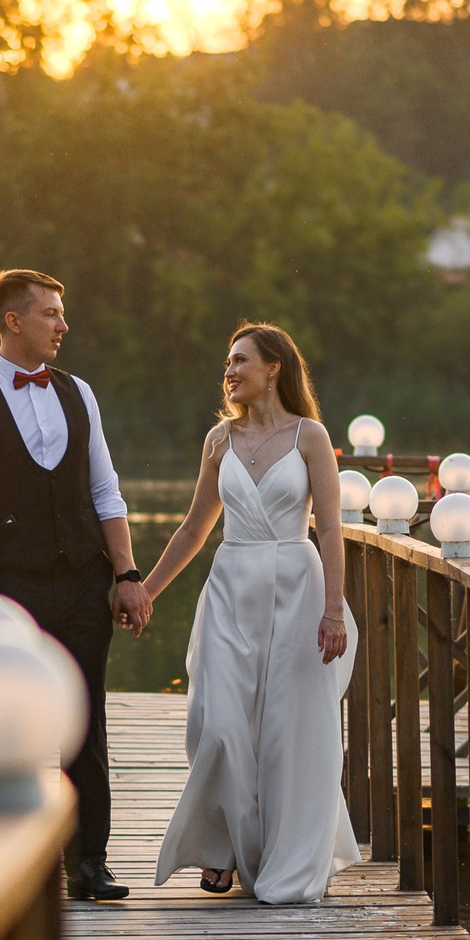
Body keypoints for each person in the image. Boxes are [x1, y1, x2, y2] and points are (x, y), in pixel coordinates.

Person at [0, 269, 152, 903]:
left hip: (84, 584)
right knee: (3, 727)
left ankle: (88, 863)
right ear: (13, 321)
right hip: (11, 588)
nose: (63, 324)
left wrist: (128, 575)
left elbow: (105, 491)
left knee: (83, 720)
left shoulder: (80, 392)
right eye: (52, 313)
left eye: (62, 312)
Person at [140, 323, 359, 905]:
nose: (230, 370)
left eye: (240, 360)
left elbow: (332, 528)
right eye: (227, 362)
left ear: (274, 368)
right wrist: (147, 590)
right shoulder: (219, 440)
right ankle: (224, 846)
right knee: (220, 725)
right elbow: (194, 527)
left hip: (297, 586)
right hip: (232, 586)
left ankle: (278, 855)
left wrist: (333, 610)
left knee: (286, 729)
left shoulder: (310, 436)